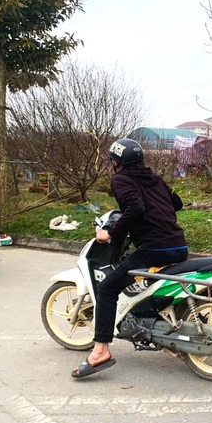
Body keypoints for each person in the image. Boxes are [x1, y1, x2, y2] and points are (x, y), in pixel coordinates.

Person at [71, 138, 188, 378]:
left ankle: (100, 351)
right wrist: (158, 213)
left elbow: (135, 207)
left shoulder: (121, 179)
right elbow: (177, 203)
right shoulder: (154, 178)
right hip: (179, 246)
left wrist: (110, 232)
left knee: (107, 288)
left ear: (116, 163)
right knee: (140, 278)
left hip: (154, 248)